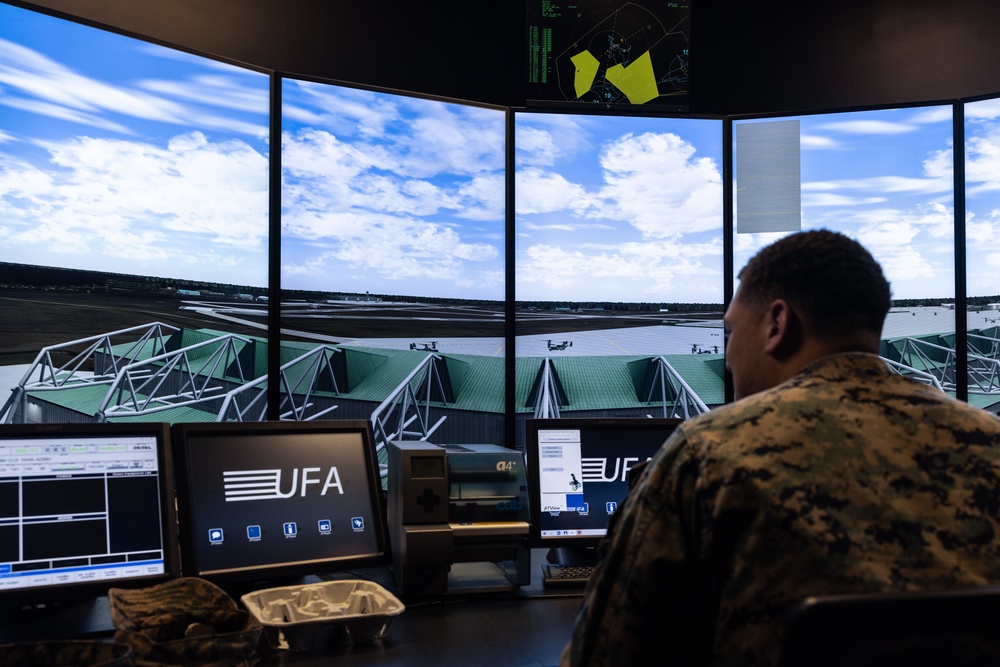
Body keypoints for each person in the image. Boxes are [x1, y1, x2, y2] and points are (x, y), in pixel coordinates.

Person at [560, 229, 1000, 666]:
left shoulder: (708, 452)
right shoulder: (990, 440)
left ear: (777, 324)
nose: (728, 356)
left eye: (730, 331)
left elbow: (604, 655)